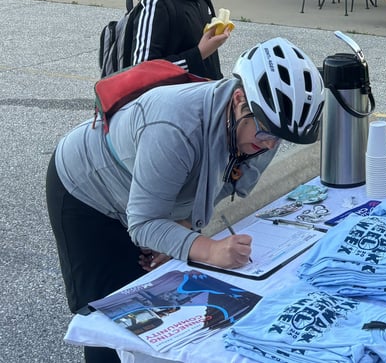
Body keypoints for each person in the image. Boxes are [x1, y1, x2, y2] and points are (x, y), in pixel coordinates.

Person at [46, 38, 324, 363]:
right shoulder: (175, 126)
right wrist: (206, 248)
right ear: (238, 100)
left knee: (158, 307)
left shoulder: (262, 129)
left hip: (145, 191)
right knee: (112, 315)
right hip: (87, 191)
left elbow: (219, 185)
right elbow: (145, 223)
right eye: (264, 134)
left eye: (279, 139)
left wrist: (182, 232)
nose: (267, 146)